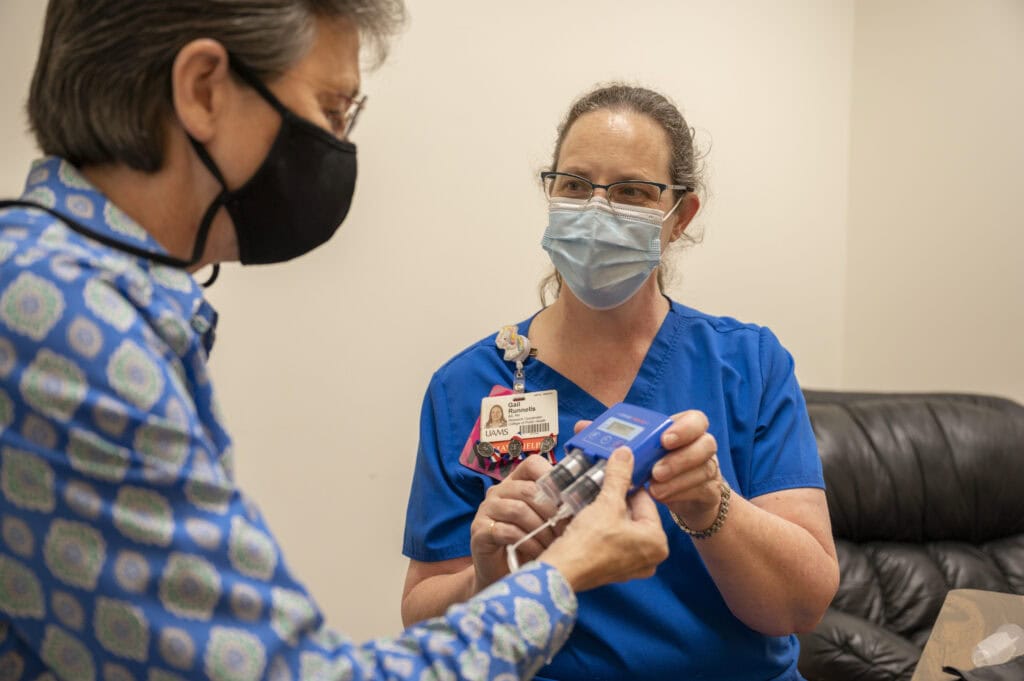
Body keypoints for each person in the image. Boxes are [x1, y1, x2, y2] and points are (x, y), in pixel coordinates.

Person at [0, 4, 671, 680]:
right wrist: (563, 571)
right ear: (203, 89)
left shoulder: (63, 290)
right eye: (332, 109)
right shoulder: (62, 325)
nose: (337, 145)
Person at [401, 85, 841, 680]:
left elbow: (802, 604)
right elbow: (423, 621)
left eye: (632, 191)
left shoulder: (748, 363)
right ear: (550, 194)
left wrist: (710, 504)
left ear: (679, 217)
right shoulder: (468, 386)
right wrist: (489, 575)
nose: (596, 210)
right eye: (576, 185)